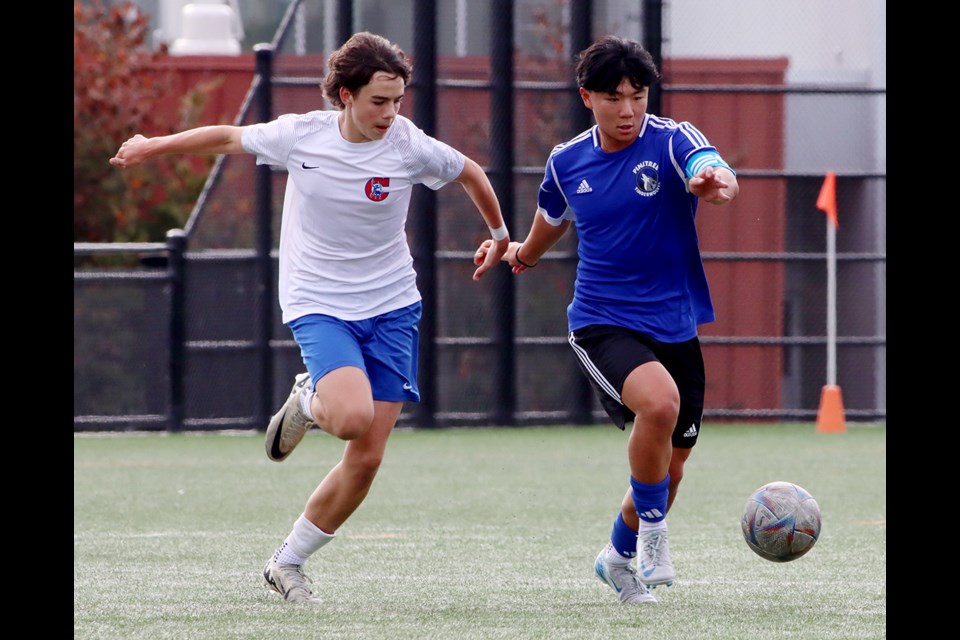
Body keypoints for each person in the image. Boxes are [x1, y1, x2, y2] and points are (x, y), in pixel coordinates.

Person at [111, 31, 509, 604]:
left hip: (394, 304)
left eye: (398, 101)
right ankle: (307, 398)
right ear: (345, 95)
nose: (390, 113)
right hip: (319, 302)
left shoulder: (408, 144)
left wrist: (498, 236)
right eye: (379, 101)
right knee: (349, 417)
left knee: (368, 456)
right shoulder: (302, 136)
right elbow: (226, 136)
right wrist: (153, 144)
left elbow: (470, 170)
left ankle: (287, 562)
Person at [475, 35, 739, 605]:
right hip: (601, 319)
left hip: (675, 322)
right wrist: (520, 253)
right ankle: (655, 536)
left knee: (672, 468)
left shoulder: (672, 141)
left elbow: (712, 168)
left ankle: (617, 558)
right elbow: (551, 220)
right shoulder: (567, 160)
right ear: (587, 97)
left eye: (638, 96)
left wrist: (716, 185)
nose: (628, 110)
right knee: (659, 404)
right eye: (614, 97)